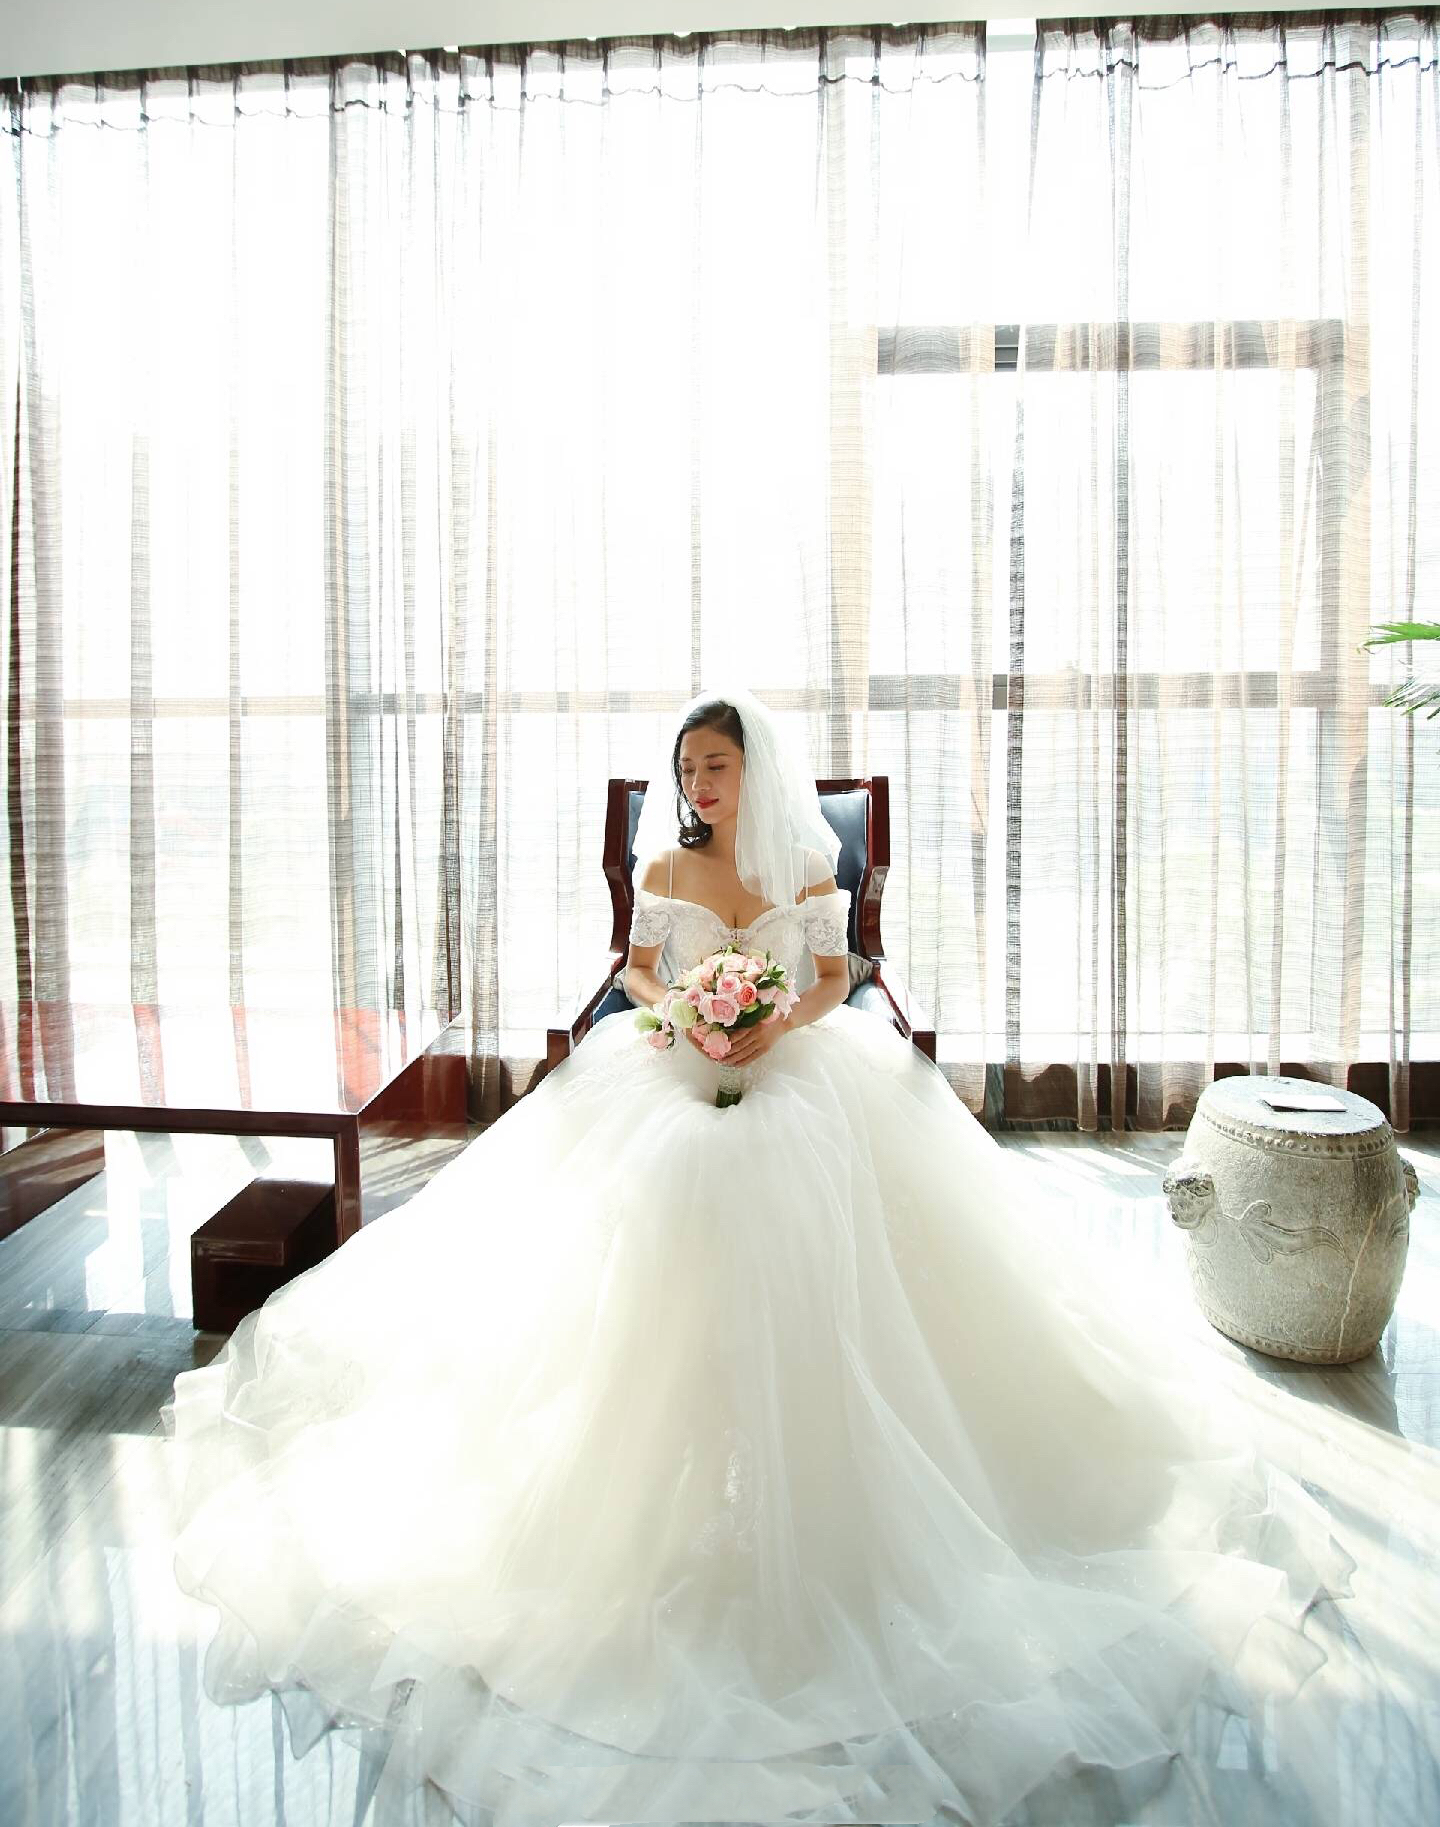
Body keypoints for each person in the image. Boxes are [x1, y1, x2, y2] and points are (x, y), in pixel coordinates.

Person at [162, 686, 1356, 1827]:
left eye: (716, 766)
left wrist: (770, 1019)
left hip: (803, 1071)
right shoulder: (665, 870)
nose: (699, 785)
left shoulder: (807, 871)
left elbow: (836, 979)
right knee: (656, 1198)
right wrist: (686, 1011)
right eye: (687, 770)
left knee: (807, 1207)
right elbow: (638, 969)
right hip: (671, 1063)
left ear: (753, 770)